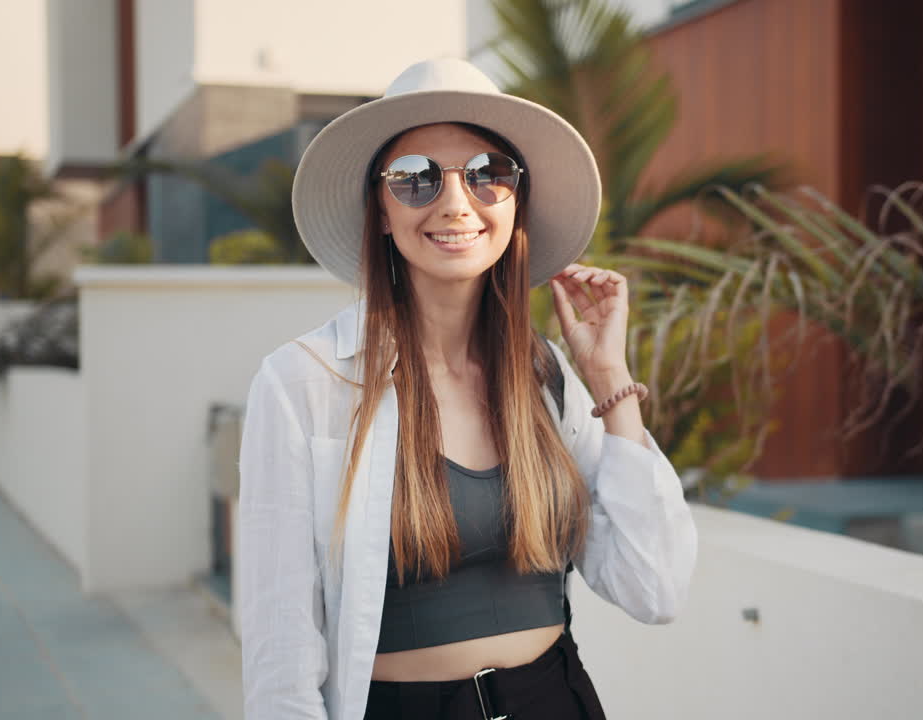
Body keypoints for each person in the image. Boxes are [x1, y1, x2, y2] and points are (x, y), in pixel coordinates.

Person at [238, 57, 699, 720]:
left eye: (488, 173)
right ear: (381, 208)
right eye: (416, 178)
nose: (456, 202)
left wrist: (608, 380)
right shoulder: (304, 383)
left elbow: (654, 587)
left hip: (555, 699)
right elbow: (280, 647)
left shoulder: (546, 380)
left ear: (516, 200)